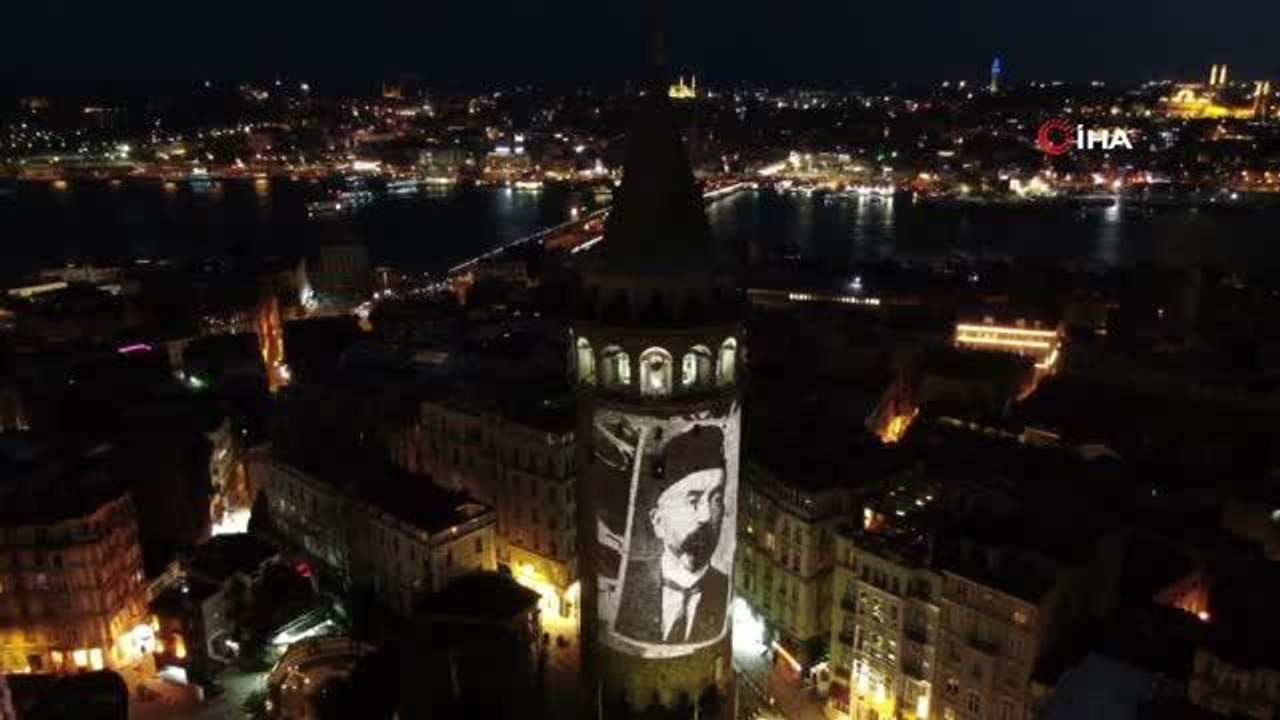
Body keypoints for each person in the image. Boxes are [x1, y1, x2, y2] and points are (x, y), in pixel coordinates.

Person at [614, 425, 729, 645]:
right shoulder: (625, 588)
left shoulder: (723, 592)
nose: (705, 516)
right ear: (658, 521)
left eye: (716, 500)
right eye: (692, 500)